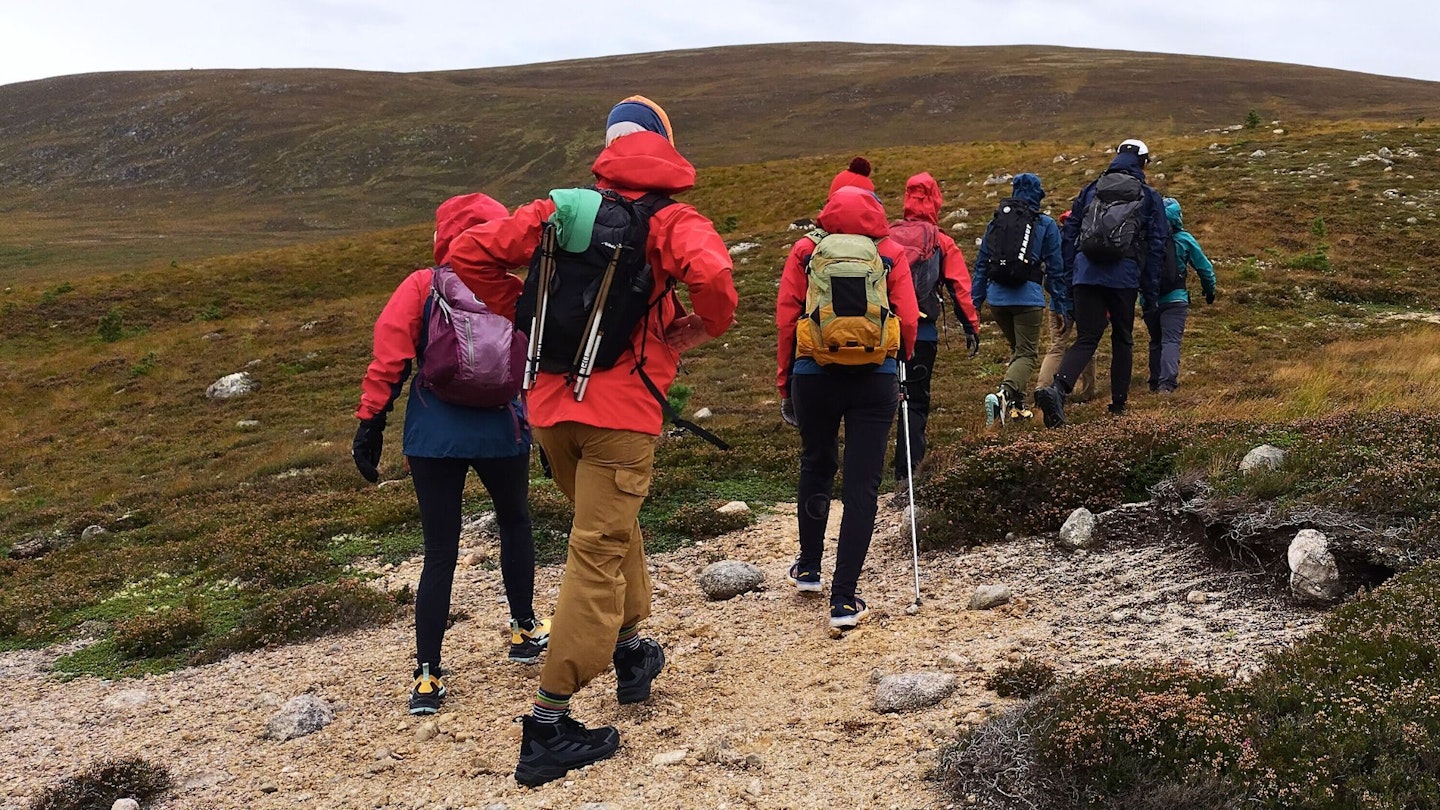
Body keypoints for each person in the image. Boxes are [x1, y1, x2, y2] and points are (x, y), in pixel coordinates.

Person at [446, 95, 738, 787]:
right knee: (598, 552)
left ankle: (632, 650)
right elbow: (717, 279)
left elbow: (467, 251)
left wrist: (520, 311)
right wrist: (700, 327)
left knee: (611, 529)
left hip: (550, 410)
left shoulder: (562, 207)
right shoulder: (674, 219)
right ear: (666, 144)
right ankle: (549, 723)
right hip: (622, 415)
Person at [351, 192, 550, 716]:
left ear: (442, 235)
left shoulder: (422, 285)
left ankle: (427, 676)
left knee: (440, 550)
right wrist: (545, 426)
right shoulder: (512, 289)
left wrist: (370, 422)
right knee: (514, 522)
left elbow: (390, 356)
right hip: (502, 430)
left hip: (434, 435)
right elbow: (536, 359)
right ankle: (524, 630)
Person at [776, 184, 921, 630]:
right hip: (874, 379)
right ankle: (843, 601)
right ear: (875, 214)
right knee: (862, 486)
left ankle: (808, 568)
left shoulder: (805, 250)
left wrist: (786, 381)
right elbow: (909, 318)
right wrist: (901, 359)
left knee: (816, 466)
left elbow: (786, 317)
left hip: (813, 375)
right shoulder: (890, 251)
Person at [1034, 139, 1169, 428]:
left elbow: (1069, 235)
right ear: (1144, 163)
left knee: (1087, 337)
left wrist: (1070, 279)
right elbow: (1156, 245)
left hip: (1086, 275)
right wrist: (1150, 291)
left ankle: (1057, 389)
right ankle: (1118, 403)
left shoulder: (1090, 190)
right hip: (1124, 277)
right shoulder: (1148, 195)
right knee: (1122, 337)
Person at [887, 172, 980, 480]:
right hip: (922, 334)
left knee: (877, 402)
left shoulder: (886, 236)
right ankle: (908, 472)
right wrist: (971, 326)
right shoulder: (941, 241)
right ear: (936, 200)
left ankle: (868, 473)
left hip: (883, 333)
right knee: (915, 402)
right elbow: (959, 288)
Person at [970, 173, 1068, 426]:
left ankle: (1018, 406)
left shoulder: (995, 224)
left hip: (997, 301)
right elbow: (1056, 269)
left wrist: (976, 302)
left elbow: (981, 265)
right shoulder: (1044, 224)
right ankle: (1003, 395)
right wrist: (1060, 304)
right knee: (1027, 354)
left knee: (1018, 350)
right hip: (1028, 299)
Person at [1144, 196, 1217, 393]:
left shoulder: (1145, 239)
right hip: (1175, 299)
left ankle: (1153, 381)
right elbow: (1204, 268)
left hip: (1149, 299)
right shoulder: (1185, 240)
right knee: (1170, 340)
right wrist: (1210, 291)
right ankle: (1166, 384)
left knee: (1155, 340)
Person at [1035, 210, 1098, 402]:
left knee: (1056, 347)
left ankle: (1042, 390)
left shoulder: (1056, 242)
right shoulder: (1088, 242)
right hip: (1085, 301)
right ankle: (1088, 392)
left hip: (1058, 303)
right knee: (1087, 345)